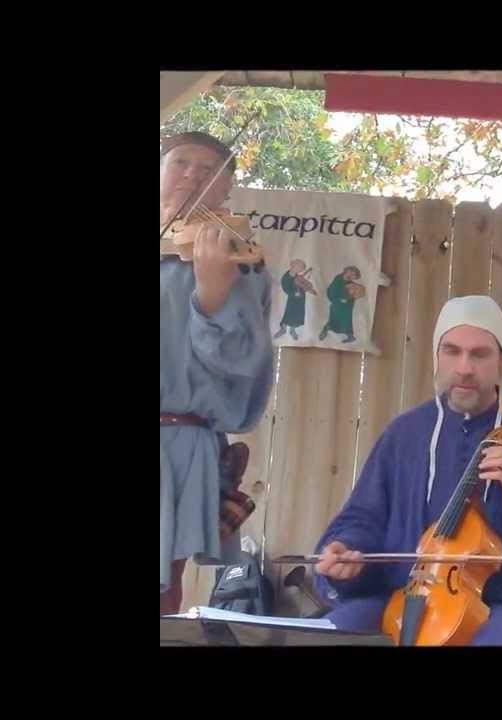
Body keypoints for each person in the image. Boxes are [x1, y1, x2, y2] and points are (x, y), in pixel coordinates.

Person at [312, 295, 502, 644]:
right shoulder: (404, 434)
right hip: (404, 600)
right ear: (436, 359)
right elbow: (362, 519)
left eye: (479, 354)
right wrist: (347, 552)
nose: (464, 367)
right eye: (451, 351)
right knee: (332, 632)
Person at [160, 131, 274, 615]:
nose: (192, 174)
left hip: (176, 442)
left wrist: (211, 296)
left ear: (226, 189)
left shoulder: (237, 260)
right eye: (181, 162)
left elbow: (242, 364)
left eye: (209, 170)